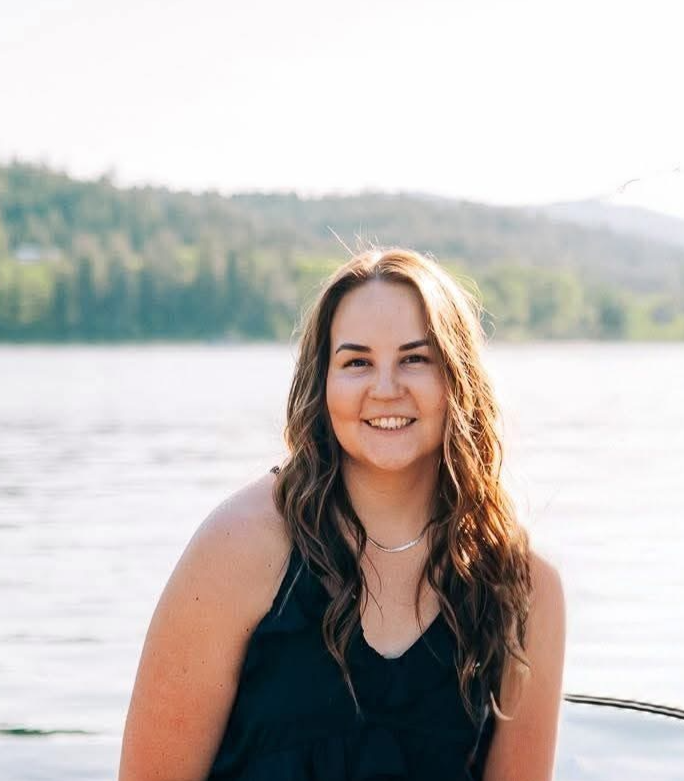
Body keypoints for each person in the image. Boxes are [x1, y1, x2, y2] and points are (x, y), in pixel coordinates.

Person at [118, 247, 566, 781]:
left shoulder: (524, 588)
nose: (385, 388)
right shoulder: (239, 546)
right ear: (322, 381)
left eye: (415, 359)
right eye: (357, 362)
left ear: (457, 380)